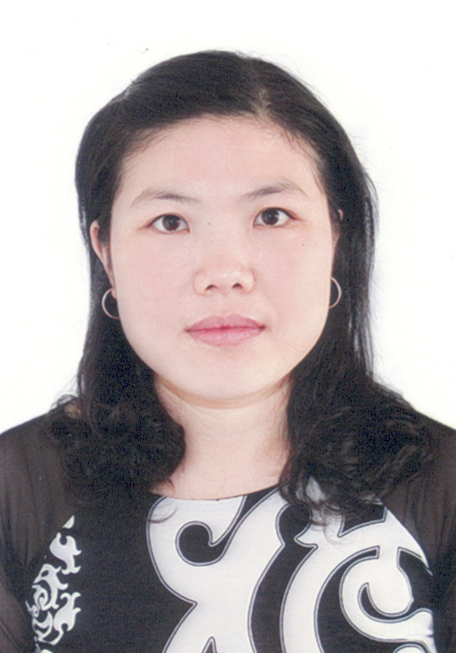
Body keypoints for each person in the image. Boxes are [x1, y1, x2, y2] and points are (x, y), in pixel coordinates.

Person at [0, 51, 454, 653]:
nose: (224, 273)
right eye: (170, 221)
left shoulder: (441, 490)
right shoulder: (16, 494)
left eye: (272, 215)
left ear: (336, 238)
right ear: (105, 251)